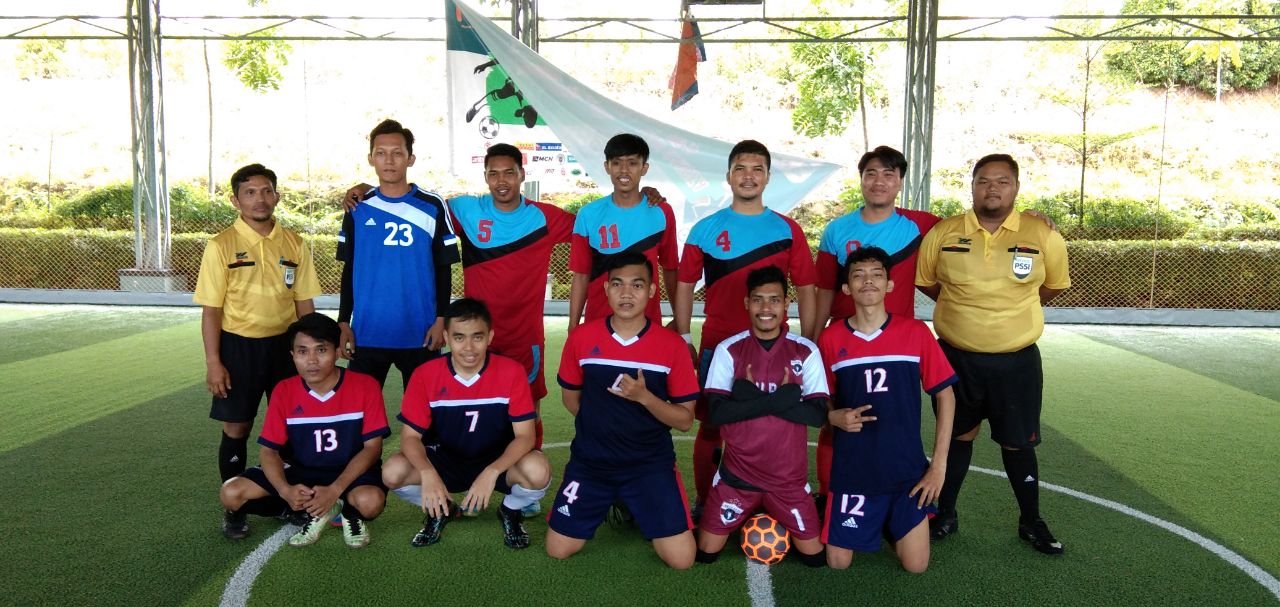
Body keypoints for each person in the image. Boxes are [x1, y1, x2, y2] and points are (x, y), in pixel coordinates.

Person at [915, 154, 1071, 555]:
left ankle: (1031, 521)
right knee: (957, 436)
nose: (993, 188)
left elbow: (1053, 285)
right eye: (984, 181)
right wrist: (963, 309)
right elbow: (927, 282)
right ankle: (945, 514)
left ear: (1016, 187)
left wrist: (1013, 310)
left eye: (1002, 181)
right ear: (972, 186)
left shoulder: (1042, 233)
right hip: (956, 359)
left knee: (1019, 444)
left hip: (1017, 362)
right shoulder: (945, 232)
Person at [673, 139, 818, 516]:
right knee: (711, 426)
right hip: (718, 345)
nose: (748, 176)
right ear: (728, 176)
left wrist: (808, 342)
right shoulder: (705, 229)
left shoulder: (787, 229)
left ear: (768, 177)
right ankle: (706, 500)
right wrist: (685, 335)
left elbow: (806, 288)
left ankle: (774, 498)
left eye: (757, 169)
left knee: (776, 422)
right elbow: (685, 284)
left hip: (776, 351)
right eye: (740, 168)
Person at [547, 252, 700, 569]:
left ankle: (631, 500)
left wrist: (645, 398)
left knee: (682, 560)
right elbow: (571, 400)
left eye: (637, 285)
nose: (626, 293)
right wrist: (603, 427)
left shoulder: (671, 346)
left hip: (649, 466)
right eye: (617, 284)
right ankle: (613, 498)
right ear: (606, 289)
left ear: (652, 291)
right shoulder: (582, 338)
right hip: (591, 465)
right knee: (558, 549)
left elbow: (685, 420)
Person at [193, 163, 321, 538]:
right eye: (249, 193)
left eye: (266, 191)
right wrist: (214, 362)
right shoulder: (220, 245)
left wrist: (310, 352)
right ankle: (235, 509)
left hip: (285, 347)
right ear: (236, 200)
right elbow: (211, 311)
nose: (259, 199)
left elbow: (304, 304)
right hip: (238, 347)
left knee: (294, 425)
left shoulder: (294, 242)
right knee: (238, 426)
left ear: (276, 196)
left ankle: (290, 501)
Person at [818, 246, 957, 572]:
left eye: (876, 275)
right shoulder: (830, 338)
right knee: (838, 562)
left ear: (889, 285)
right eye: (858, 275)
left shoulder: (916, 333)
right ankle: (876, 518)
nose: (868, 281)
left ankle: (887, 521)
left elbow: (946, 396)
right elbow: (818, 398)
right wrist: (832, 416)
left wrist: (938, 466)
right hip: (854, 471)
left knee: (916, 565)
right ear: (846, 288)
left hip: (906, 472)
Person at [382, 298, 551, 550]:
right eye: (459, 337)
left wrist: (491, 472)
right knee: (392, 471)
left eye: (477, 337)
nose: (469, 347)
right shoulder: (425, 374)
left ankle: (510, 510)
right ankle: (441, 509)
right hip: (444, 459)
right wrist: (428, 473)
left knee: (538, 470)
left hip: (497, 459)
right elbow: (410, 437)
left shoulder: (511, 371)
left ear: (490, 337)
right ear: (446, 337)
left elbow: (525, 436)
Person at [694, 266, 828, 567]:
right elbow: (716, 413)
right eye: (758, 300)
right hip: (736, 479)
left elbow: (817, 415)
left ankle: (768, 512)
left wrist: (748, 395)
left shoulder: (805, 351)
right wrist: (784, 397)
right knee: (705, 554)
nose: (766, 308)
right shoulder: (729, 349)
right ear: (747, 303)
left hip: (788, 482)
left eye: (774, 300)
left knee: (815, 559)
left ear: (786, 304)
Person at [218, 313, 390, 548]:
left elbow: (373, 448)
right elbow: (269, 451)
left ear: (337, 352)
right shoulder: (284, 390)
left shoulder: (365, 385)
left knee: (370, 502)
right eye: (302, 351)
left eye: (321, 350)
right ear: (292, 355)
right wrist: (285, 490)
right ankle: (297, 509)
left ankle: (346, 511)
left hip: (350, 471)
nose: (311, 360)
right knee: (230, 493)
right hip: (300, 469)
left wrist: (335, 489)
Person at [337, 119, 460, 390]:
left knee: (424, 411)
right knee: (362, 410)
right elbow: (349, 268)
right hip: (367, 332)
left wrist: (442, 320)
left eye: (397, 153)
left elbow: (443, 268)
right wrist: (343, 321)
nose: (389, 160)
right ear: (371, 158)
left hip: (421, 331)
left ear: (410, 158)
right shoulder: (357, 206)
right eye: (381, 153)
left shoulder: (432, 205)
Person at [567, 134, 679, 331]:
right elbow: (581, 275)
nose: (624, 170)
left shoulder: (662, 212)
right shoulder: (588, 214)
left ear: (644, 168)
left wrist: (679, 318)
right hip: (597, 324)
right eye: (617, 163)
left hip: (647, 325)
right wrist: (573, 326)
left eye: (632, 163)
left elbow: (670, 268)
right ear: (607, 167)